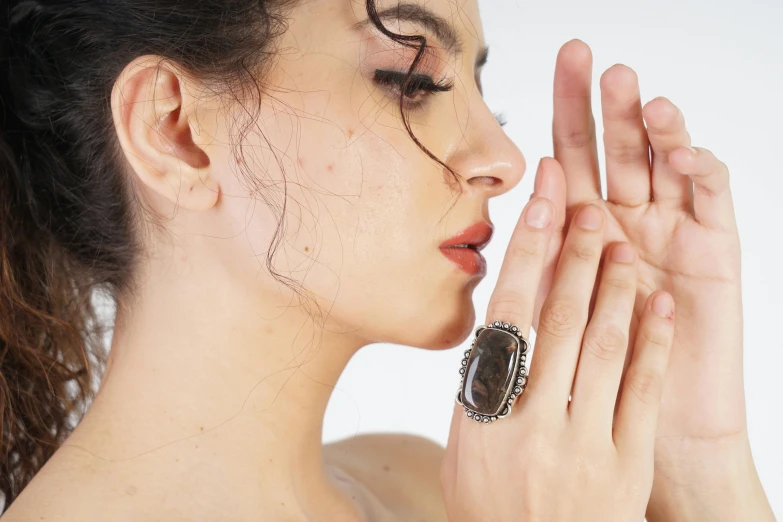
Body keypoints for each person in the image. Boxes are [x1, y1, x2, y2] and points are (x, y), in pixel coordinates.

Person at [0, 0, 775, 520]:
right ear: (175, 130)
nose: (503, 157)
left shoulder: (422, 488)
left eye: (479, 90)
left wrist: (697, 469)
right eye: (412, 80)